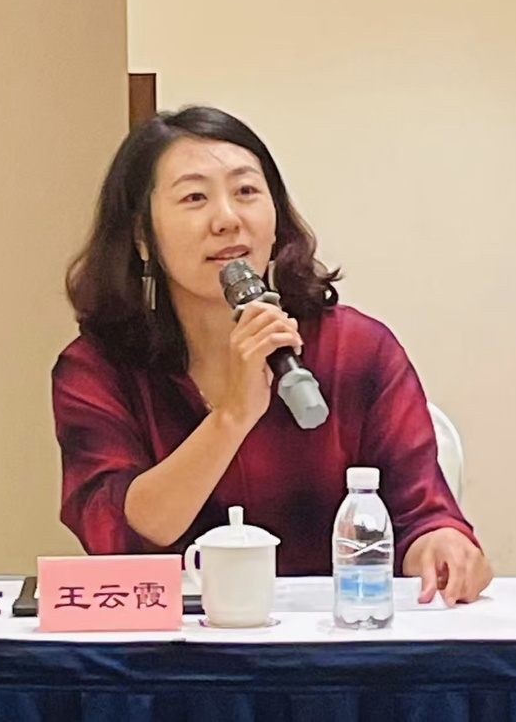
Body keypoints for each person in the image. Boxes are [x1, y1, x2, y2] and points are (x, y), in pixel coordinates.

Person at [53, 106, 492, 606]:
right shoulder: (97, 371)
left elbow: (420, 514)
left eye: (246, 191)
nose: (228, 219)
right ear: (141, 235)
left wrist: (442, 545)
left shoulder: (357, 350)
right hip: (174, 646)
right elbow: (119, 539)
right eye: (195, 197)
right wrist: (232, 416)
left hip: (335, 638)